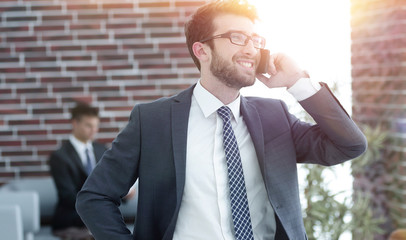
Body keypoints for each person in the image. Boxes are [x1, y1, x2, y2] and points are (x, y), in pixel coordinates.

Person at [76, 0, 367, 239]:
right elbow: (95, 197)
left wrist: (298, 82)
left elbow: (349, 145)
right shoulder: (153, 121)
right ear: (202, 50)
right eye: (236, 37)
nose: (251, 48)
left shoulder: (274, 117)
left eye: (255, 39)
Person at [48, 103, 106, 239]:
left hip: (102, 220)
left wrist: (124, 192)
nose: (94, 130)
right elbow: (67, 195)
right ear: (74, 123)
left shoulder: (102, 150)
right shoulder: (60, 157)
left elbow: (109, 183)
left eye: (96, 126)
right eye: (88, 125)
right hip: (72, 221)